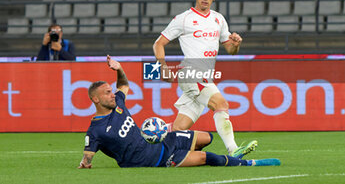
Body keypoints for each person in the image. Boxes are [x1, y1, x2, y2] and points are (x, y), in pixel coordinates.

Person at [78, 56, 281, 168]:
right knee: (206, 158)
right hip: (150, 159)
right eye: (107, 93)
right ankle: (248, 163)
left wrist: (119, 68)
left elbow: (122, 85)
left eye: (111, 91)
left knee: (206, 137)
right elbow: (87, 159)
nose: (112, 94)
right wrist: (85, 163)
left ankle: (189, 157)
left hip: (163, 141)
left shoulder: (119, 104)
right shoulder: (95, 131)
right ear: (95, 99)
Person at [153, 0, 256, 158]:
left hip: (206, 77)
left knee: (179, 128)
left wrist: (236, 44)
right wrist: (162, 66)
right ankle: (233, 150)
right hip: (190, 73)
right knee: (221, 104)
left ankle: (145, 138)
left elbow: (230, 50)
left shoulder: (218, 19)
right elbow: (158, 44)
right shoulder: (184, 19)